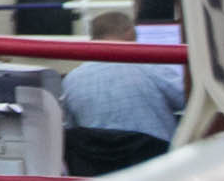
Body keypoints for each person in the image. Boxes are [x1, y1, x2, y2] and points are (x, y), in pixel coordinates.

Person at [61, 10, 185, 142]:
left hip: (100, 160)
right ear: (130, 32)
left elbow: (71, 129)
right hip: (156, 158)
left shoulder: (71, 80)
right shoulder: (149, 66)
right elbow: (187, 99)